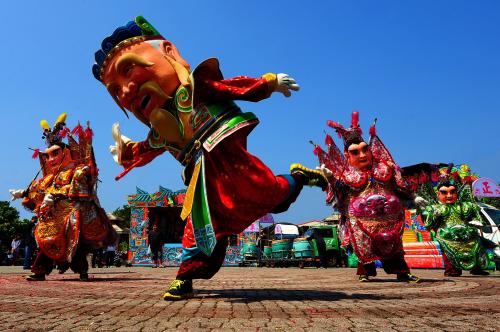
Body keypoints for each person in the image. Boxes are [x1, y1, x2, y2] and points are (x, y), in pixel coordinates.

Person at [92, 16, 326, 300]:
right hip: (200, 176)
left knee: (266, 192)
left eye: (128, 70)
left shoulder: (195, 89)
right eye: (116, 90)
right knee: (201, 226)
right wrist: (126, 152)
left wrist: (268, 83)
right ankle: (185, 278)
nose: (126, 90)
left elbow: (230, 87)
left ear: (168, 52)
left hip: (227, 154)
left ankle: (299, 179)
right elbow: (146, 149)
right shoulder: (161, 127)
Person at [309, 112, 420, 283]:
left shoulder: (385, 167)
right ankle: (365, 272)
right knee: (364, 247)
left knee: (395, 247)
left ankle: (402, 272)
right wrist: (331, 178)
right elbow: (340, 191)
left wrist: (413, 198)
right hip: (361, 222)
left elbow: (399, 186)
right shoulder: (346, 175)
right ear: (347, 155)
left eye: (364, 149)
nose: (362, 155)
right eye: (355, 152)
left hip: (389, 219)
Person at [10, 113, 117, 281]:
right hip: (52, 217)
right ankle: (39, 271)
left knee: (76, 245)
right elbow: (38, 189)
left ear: (65, 152)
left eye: (55, 153)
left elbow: (78, 190)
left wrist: (55, 194)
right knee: (45, 243)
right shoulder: (48, 177)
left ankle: (82, 271)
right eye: (47, 155)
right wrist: (23, 192)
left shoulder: (74, 172)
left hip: (71, 215)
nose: (51, 159)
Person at [418, 166, 491, 277]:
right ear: (438, 194)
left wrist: (477, 222)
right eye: (444, 193)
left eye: (452, 192)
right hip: (447, 233)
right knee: (449, 250)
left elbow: (475, 215)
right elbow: (428, 224)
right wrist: (434, 215)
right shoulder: (435, 208)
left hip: (466, 232)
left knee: (477, 244)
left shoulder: (464, 205)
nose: (449, 196)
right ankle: (452, 270)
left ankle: (477, 268)